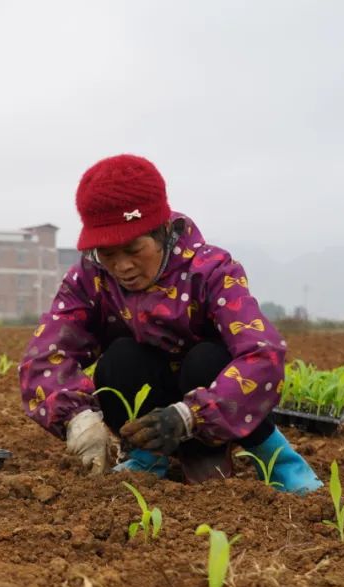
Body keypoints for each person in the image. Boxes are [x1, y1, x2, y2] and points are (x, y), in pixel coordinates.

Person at [18, 154, 320, 493]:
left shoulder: (210, 271)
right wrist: (77, 417)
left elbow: (263, 352)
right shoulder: (90, 279)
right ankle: (148, 459)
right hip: (150, 414)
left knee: (207, 358)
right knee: (121, 359)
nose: (121, 266)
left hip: (212, 405)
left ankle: (276, 458)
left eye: (133, 249)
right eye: (107, 253)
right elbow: (46, 354)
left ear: (163, 230)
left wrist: (189, 416)